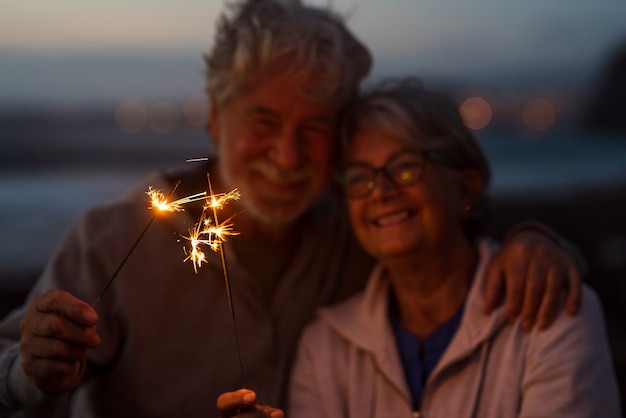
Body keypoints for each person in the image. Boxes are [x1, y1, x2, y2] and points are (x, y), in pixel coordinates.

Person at [0, 1, 583, 417]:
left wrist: (541, 242)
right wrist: (29, 370)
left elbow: (448, 242)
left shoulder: (355, 231)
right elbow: (10, 369)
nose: (287, 154)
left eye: (314, 128)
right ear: (214, 118)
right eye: (263, 122)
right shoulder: (110, 238)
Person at [282, 79, 621, 417]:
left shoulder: (550, 316)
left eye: (405, 167)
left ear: (466, 188)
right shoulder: (325, 347)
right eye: (358, 176)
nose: (380, 191)